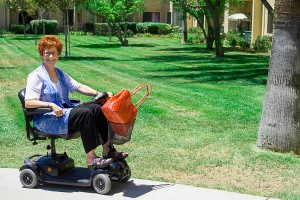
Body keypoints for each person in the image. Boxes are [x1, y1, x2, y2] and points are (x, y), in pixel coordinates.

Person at [24, 35, 128, 171]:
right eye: (47, 53)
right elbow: (28, 102)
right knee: (84, 113)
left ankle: (107, 149)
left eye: (53, 53)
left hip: (64, 112)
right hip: (48, 118)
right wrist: (50, 105)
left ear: (58, 54)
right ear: (42, 54)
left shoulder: (59, 73)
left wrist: (99, 94)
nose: (50, 57)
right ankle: (91, 158)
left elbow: (78, 86)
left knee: (98, 107)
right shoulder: (36, 76)